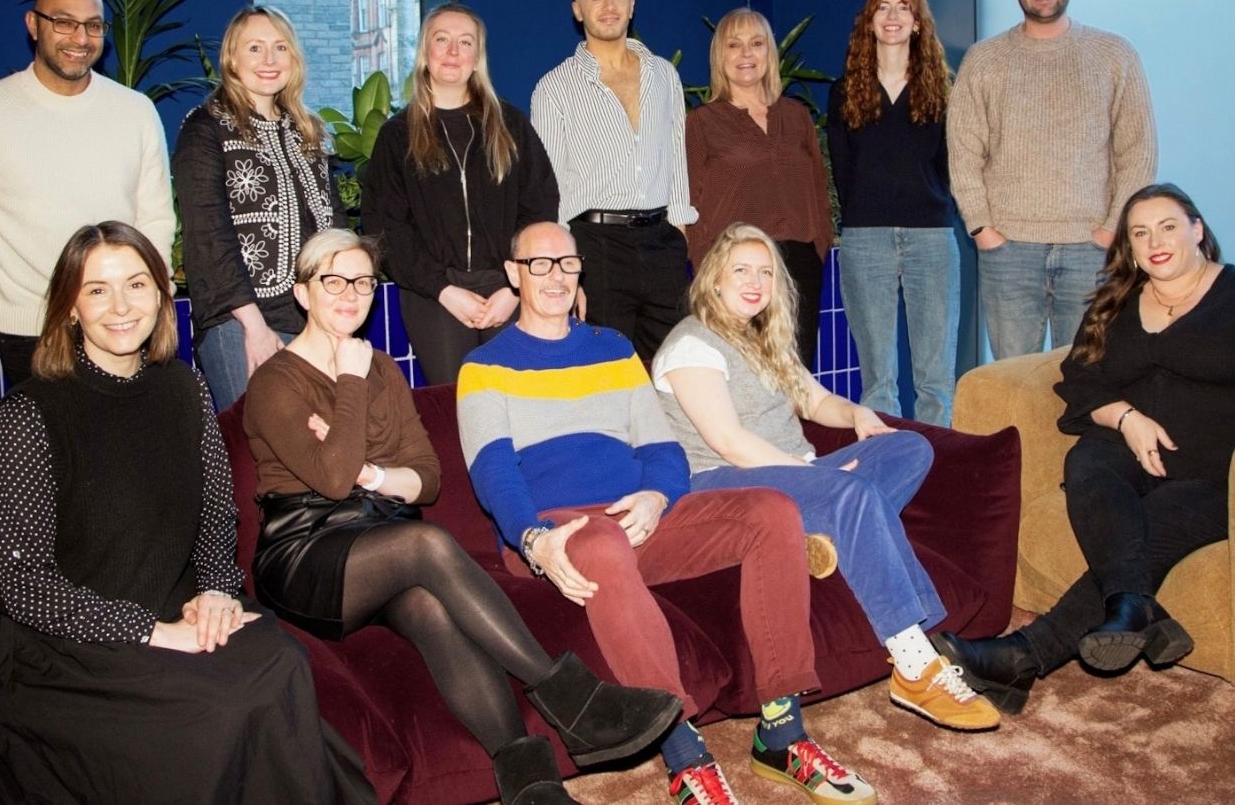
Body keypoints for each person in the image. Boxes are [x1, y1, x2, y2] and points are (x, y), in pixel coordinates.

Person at [0, 222, 371, 803]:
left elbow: (218, 518)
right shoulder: (30, 412)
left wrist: (218, 592)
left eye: (137, 284)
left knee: (280, 660)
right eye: (97, 290)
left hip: (177, 604)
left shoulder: (185, 387)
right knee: (212, 709)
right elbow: (25, 584)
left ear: (162, 297)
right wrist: (152, 633)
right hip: (67, 642)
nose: (120, 306)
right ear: (69, 307)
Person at [242, 229, 681, 805]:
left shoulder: (380, 367)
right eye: (333, 281)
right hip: (305, 553)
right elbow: (328, 479)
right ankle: (572, 698)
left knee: (431, 608)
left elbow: (426, 476)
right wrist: (349, 389)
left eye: (363, 282)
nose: (351, 295)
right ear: (303, 293)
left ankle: (532, 785)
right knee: (424, 544)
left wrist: (371, 476)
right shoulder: (276, 380)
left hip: (377, 537)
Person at [458, 221, 876, 805]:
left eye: (567, 264)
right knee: (602, 542)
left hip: (641, 519)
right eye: (539, 265)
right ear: (514, 274)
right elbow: (491, 472)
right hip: (560, 530)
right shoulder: (485, 368)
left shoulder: (615, 349)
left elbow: (662, 450)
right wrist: (533, 539)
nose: (555, 277)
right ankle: (683, 754)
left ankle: (782, 731)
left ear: (582, 268)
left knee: (773, 511)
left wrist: (657, 497)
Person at [932, 184, 1235, 714]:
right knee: (1085, 457)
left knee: (1150, 522)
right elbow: (1079, 380)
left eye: (1168, 226)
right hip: (1130, 456)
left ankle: (1024, 655)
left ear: (1197, 230)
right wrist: (1127, 418)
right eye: (1140, 233)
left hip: (1218, 473)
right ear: (1128, 247)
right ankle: (1139, 610)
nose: (1154, 241)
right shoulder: (1117, 303)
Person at [653, 222, 1001, 734]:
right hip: (723, 486)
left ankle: (821, 529)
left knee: (909, 447)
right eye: (742, 271)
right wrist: (815, 475)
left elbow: (815, 400)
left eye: (766, 272)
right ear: (714, 280)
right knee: (852, 493)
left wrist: (858, 414)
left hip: (796, 477)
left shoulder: (761, 339)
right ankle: (914, 661)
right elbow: (728, 441)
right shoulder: (692, 344)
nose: (755, 282)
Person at [0, 0, 174, 388]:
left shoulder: (135, 111)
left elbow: (156, 219)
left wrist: (141, 299)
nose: (80, 37)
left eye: (93, 25)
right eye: (64, 22)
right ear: (33, 24)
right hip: (33, 331)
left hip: (123, 322)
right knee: (51, 452)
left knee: (127, 447)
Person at [948, 0, 1157, 361]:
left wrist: (1110, 228)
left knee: (1088, 380)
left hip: (1090, 250)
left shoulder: (1114, 55)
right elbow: (964, 152)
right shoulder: (984, 61)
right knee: (1014, 383)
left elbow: (1137, 151)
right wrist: (983, 229)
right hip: (1008, 252)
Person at [362, 4, 559, 385]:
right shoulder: (397, 135)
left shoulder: (512, 125)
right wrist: (443, 290)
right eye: (442, 40)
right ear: (425, 52)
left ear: (477, 57)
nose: (453, 52)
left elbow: (539, 208)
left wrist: (516, 285)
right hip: (435, 295)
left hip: (508, 287)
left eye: (464, 42)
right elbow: (386, 227)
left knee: (518, 403)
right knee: (455, 407)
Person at [174, 5, 348, 411]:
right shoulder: (205, 127)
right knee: (260, 455)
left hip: (313, 323)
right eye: (255, 48)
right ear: (232, 58)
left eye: (280, 47)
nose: (269, 61)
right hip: (242, 324)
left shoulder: (309, 130)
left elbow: (336, 230)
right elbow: (208, 235)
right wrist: (253, 325)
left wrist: (338, 313)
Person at [531, 0, 696, 361]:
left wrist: (679, 234)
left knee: (675, 371)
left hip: (663, 244)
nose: (609, 6)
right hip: (595, 247)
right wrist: (565, 269)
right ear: (577, 9)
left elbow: (677, 161)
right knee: (605, 373)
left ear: (633, 3)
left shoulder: (664, 76)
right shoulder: (554, 88)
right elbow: (548, 187)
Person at [828, 0, 961, 425]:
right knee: (879, 380)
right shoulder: (844, 91)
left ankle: (938, 471)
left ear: (918, 22)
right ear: (869, 21)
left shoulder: (943, 88)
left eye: (903, 7)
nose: (892, 16)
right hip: (866, 239)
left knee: (935, 380)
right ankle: (888, 473)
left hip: (932, 238)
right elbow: (843, 172)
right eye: (882, 8)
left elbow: (950, 166)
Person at [685, 8, 832, 368]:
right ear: (720, 56)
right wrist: (709, 270)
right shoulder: (701, 123)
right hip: (735, 268)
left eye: (756, 44)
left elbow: (817, 189)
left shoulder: (797, 116)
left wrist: (820, 247)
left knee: (796, 376)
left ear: (770, 53)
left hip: (798, 266)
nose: (746, 54)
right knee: (743, 376)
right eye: (734, 45)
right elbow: (689, 204)